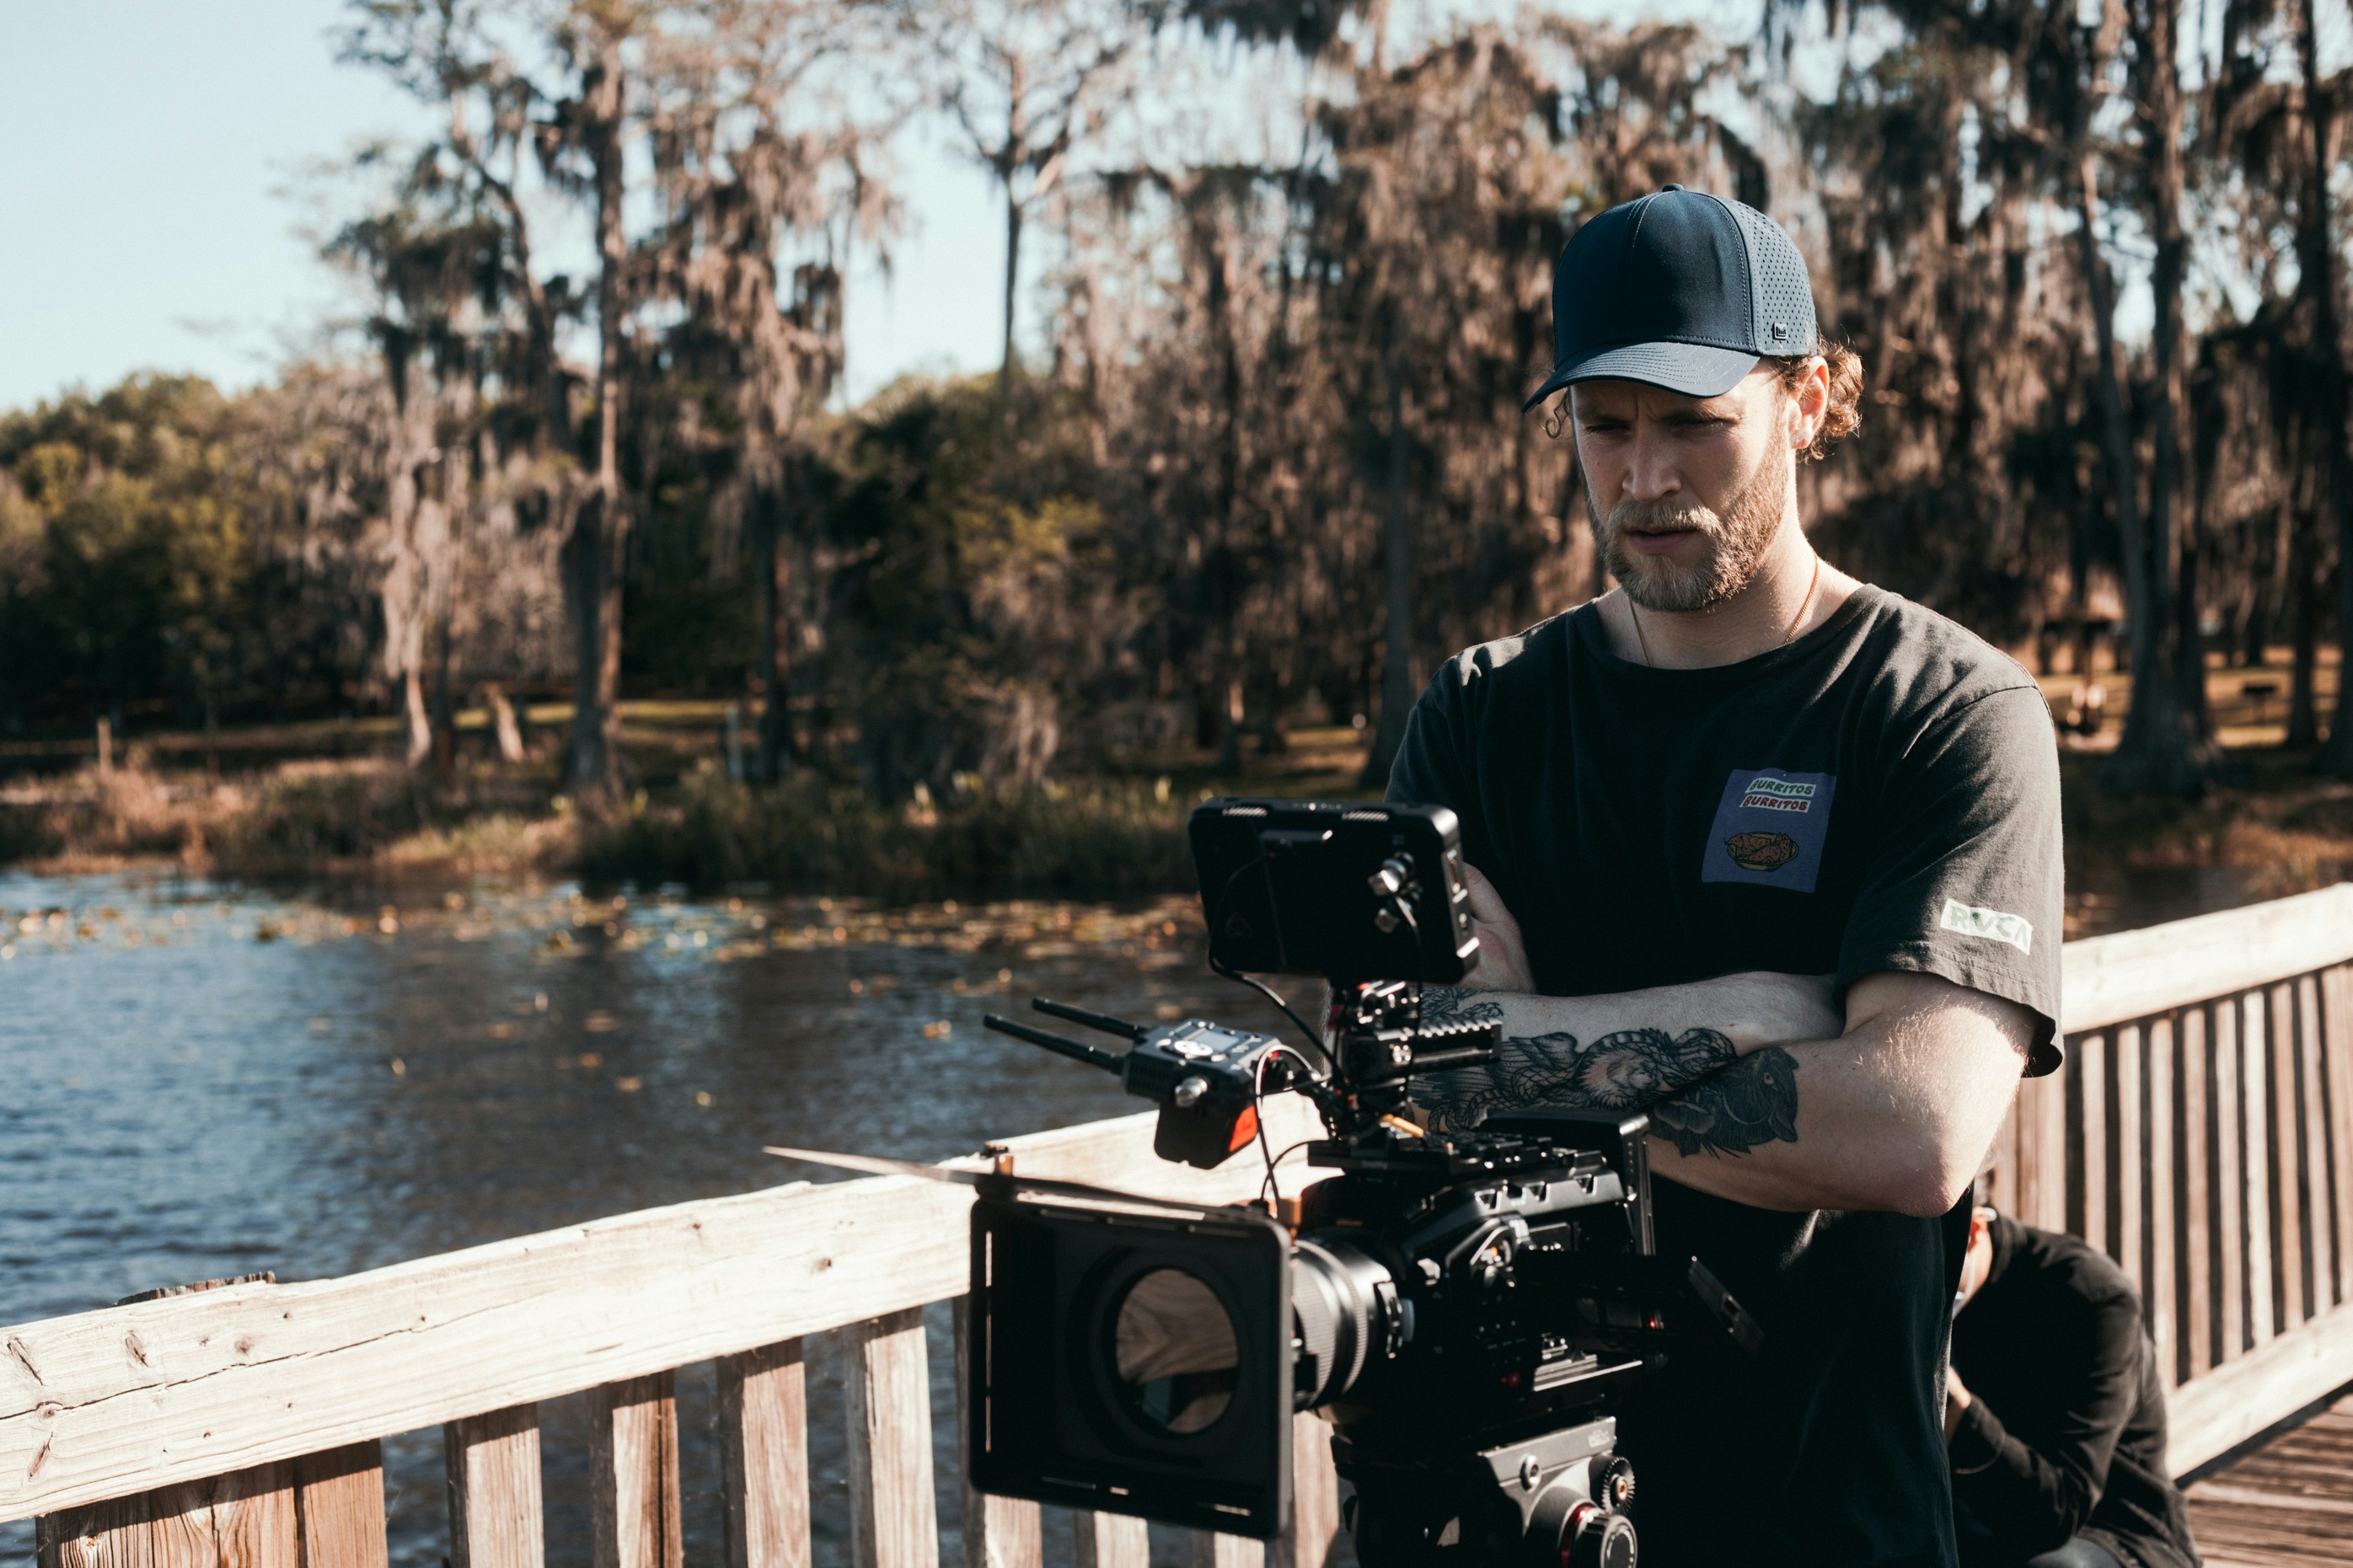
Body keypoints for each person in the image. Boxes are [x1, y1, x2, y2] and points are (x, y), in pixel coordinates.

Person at [1385, 184, 2064, 1566]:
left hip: (1826, 1515)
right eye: (1606, 425)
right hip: (1508, 1510)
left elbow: (1913, 1130)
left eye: (1695, 421)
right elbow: (1400, 1075)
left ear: (1807, 401)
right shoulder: (1479, 715)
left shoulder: (1942, 711)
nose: (1645, 479)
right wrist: (1750, 1014)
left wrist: (1509, 1051)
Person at [1948, 1201, 2202, 1568]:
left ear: (1973, 1231)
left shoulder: (2091, 1298)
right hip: (1971, 1525)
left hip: (2115, 1531)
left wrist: (1957, 1411)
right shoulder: (1907, 1300)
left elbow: (2062, 1509)